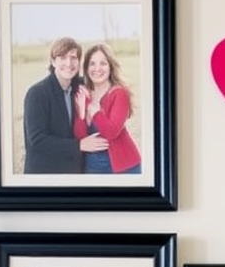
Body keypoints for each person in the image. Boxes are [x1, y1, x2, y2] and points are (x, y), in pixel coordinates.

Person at [71, 42, 142, 176]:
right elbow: (80, 136)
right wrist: (81, 112)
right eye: (92, 63)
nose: (97, 68)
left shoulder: (119, 93)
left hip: (124, 167)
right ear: (86, 68)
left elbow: (111, 132)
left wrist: (95, 111)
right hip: (92, 165)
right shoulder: (83, 94)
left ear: (110, 66)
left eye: (103, 63)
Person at [22, 38, 84, 176]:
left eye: (73, 57)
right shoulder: (37, 93)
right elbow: (38, 139)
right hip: (45, 174)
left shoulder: (78, 87)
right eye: (62, 57)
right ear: (53, 61)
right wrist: (79, 145)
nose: (69, 63)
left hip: (72, 173)